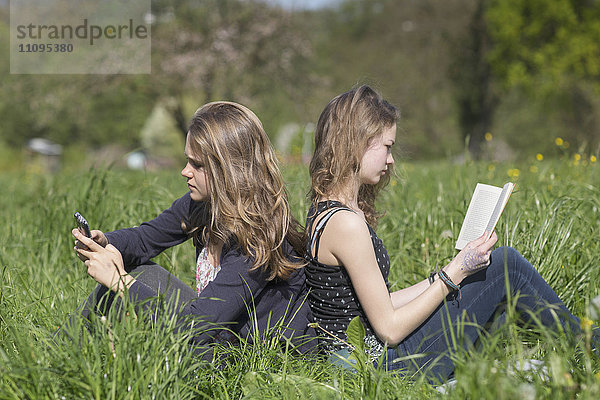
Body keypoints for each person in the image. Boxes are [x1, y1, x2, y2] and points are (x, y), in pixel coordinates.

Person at [304, 85, 597, 382]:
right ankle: (589, 348)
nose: (391, 160)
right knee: (506, 265)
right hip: (378, 367)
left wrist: (446, 274)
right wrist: (456, 272)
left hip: (361, 359)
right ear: (358, 143)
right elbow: (389, 328)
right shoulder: (346, 224)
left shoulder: (329, 211)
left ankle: (572, 348)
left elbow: (379, 304)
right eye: (387, 147)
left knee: (490, 289)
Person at [68, 101, 316, 354]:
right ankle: (62, 354)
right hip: (218, 333)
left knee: (148, 308)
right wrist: (105, 242)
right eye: (187, 160)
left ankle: (69, 358)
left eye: (197, 165)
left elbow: (196, 330)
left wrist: (119, 281)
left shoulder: (255, 239)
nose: (185, 171)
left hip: (252, 355)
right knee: (141, 271)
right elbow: (145, 239)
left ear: (230, 170)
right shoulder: (203, 205)